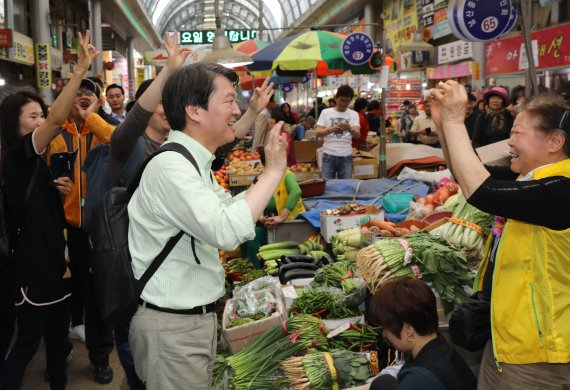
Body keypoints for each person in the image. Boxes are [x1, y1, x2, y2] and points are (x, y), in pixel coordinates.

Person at [127, 63, 287, 389]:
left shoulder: (193, 162)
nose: (237, 109)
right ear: (195, 111)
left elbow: (228, 210)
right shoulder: (171, 167)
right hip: (171, 328)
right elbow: (226, 232)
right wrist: (272, 173)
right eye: (228, 100)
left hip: (189, 323)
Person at [431, 80, 570, 388]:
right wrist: (443, 125)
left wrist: (456, 120)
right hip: (510, 340)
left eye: (517, 132)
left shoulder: (562, 189)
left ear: (554, 141)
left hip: (540, 353)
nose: (509, 141)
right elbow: (467, 174)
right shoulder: (529, 178)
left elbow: (483, 191)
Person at [0, 31, 98, 390]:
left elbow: (43, 210)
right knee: (26, 345)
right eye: (33, 117)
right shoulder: (17, 157)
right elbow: (58, 121)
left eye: (41, 115)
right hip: (31, 272)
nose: (41, 122)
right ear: (15, 125)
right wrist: (79, 71)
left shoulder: (41, 163)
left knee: (59, 344)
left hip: (58, 268)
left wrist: (63, 192)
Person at [47, 50, 116, 386]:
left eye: (90, 91)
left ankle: (100, 356)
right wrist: (53, 189)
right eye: (78, 91)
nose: (84, 95)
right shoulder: (53, 134)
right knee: (60, 295)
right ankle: (58, 353)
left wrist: (93, 119)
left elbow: (120, 146)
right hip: (61, 230)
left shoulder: (105, 130)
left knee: (97, 295)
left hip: (99, 231)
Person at [365, 277, 477, 390]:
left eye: (386, 328)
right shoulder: (438, 345)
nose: (384, 334)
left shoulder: (418, 380)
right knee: (382, 382)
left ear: (408, 330)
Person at [315, 85, 360, 179]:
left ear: (351, 100)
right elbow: (317, 132)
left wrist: (349, 129)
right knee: (327, 186)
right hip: (329, 155)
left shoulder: (354, 114)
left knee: (345, 187)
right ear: (336, 98)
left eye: (347, 101)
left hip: (346, 156)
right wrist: (330, 129)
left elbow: (357, 135)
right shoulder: (325, 112)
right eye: (342, 100)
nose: (344, 103)